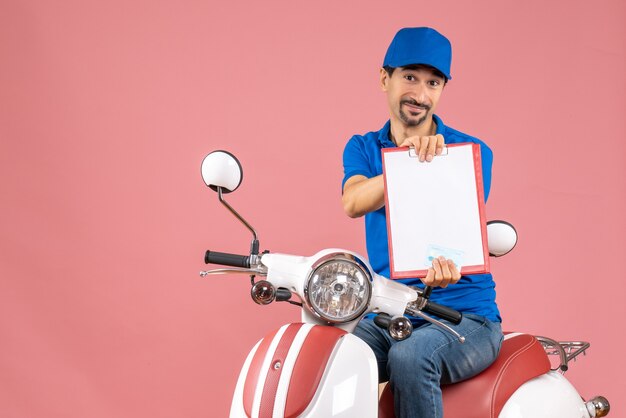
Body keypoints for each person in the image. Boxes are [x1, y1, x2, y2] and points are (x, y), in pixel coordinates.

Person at [341, 27, 503, 418]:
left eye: (433, 82)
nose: (420, 93)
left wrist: (445, 271)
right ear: (385, 78)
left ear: (443, 89)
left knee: (411, 355)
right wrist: (405, 166)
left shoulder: (470, 154)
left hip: (467, 316)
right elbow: (353, 200)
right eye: (410, 77)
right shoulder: (364, 147)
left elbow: (454, 237)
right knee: (337, 355)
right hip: (392, 311)